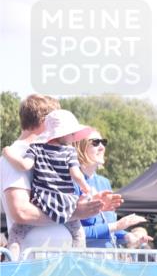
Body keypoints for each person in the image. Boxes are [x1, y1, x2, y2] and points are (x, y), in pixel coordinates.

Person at [1, 95, 119, 257]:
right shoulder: (18, 154)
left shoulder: (54, 152)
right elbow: (21, 212)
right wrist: (76, 212)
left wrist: (92, 203)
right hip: (33, 267)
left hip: (56, 265)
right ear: (46, 121)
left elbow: (65, 193)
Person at [2, 109, 97, 248]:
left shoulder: (36, 148)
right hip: (65, 203)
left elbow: (24, 165)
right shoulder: (70, 152)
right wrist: (88, 190)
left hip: (42, 200)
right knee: (78, 233)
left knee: (17, 232)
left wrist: (7, 152)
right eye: (72, 133)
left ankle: (14, 257)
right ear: (62, 134)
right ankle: (78, 258)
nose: (74, 137)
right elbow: (76, 175)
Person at [73, 131, 146, 248]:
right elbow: (75, 232)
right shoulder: (72, 182)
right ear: (80, 147)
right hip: (84, 259)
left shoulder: (104, 182)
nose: (102, 147)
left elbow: (109, 227)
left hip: (109, 258)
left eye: (103, 142)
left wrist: (127, 237)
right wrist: (117, 226)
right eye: (95, 143)